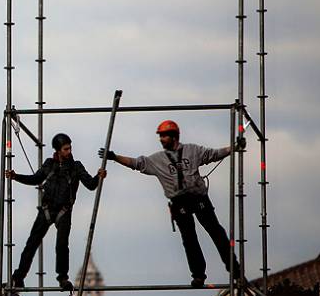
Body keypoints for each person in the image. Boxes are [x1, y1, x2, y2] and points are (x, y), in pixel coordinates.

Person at [100, 120, 243, 287]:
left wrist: (234, 147)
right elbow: (137, 163)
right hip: (179, 202)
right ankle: (198, 275)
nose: (161, 139)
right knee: (189, 239)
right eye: (160, 136)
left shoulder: (192, 151)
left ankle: (235, 270)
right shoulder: (157, 160)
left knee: (216, 232)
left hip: (198, 197)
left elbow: (214, 154)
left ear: (174, 136)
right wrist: (114, 157)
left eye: (164, 136)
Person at [6, 133, 106, 291]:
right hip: (47, 209)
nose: (69, 151)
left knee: (61, 245)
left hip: (63, 212)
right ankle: (18, 277)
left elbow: (90, 184)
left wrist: (98, 177)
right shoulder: (49, 164)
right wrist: (15, 176)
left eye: (70, 148)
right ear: (58, 150)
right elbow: (35, 179)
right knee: (32, 243)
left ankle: (63, 278)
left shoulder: (76, 167)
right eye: (66, 149)